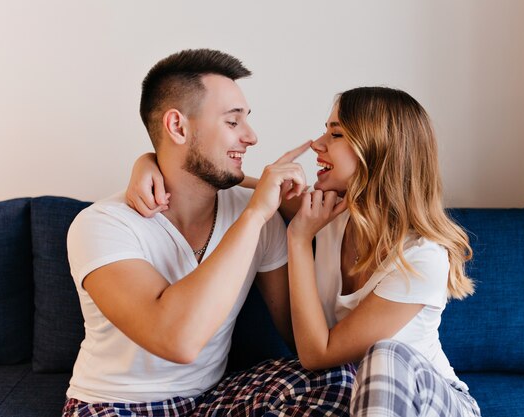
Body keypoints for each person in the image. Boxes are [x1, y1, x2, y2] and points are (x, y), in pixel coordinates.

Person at [129, 87, 481, 416]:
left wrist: (298, 239)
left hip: (430, 402)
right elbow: (227, 179)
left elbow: (316, 354)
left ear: (379, 149)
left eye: (336, 134)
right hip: (351, 399)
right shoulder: (329, 212)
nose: (317, 144)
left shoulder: (421, 257)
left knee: (384, 355)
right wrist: (148, 162)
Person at [63, 49, 354, 417]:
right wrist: (256, 214)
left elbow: (299, 340)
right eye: (233, 123)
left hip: (211, 399)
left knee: (339, 380)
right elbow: (178, 341)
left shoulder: (256, 213)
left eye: (247, 121)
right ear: (178, 127)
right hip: (115, 405)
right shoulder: (103, 224)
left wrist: (271, 213)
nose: (252, 137)